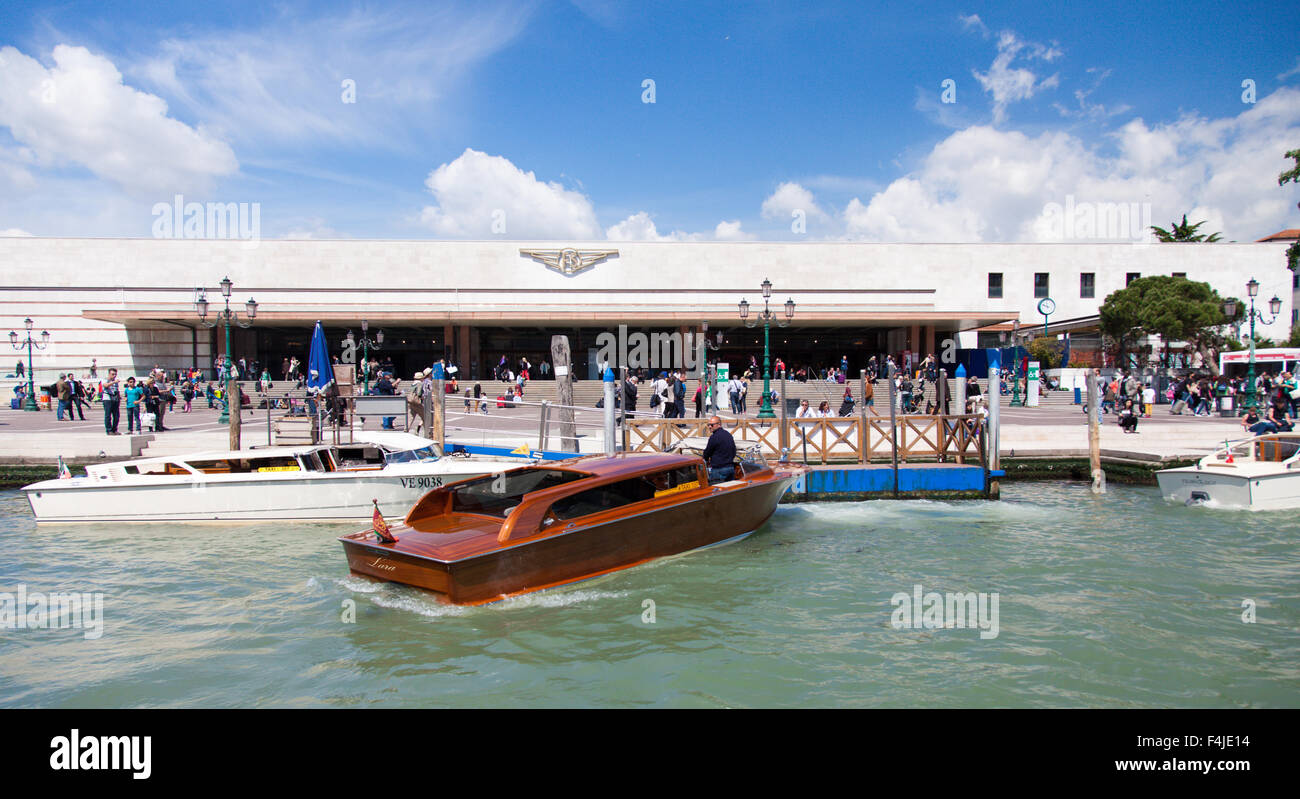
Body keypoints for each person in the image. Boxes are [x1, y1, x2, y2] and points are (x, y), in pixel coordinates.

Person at [702, 416, 737, 483]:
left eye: (712, 425)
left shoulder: (714, 437)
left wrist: (705, 460)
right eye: (708, 425)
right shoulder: (728, 434)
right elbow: (734, 451)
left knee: (717, 491)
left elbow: (707, 453)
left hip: (719, 470)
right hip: (730, 468)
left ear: (719, 424)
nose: (709, 427)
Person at [99, 368, 121, 434]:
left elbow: (116, 389)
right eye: (112, 374)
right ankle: (109, 430)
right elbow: (105, 385)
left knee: (116, 415)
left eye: (115, 374)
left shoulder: (115, 382)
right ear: (109, 374)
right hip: (107, 398)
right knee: (108, 415)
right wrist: (113, 382)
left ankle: (115, 429)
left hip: (115, 398)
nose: (114, 376)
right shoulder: (105, 379)